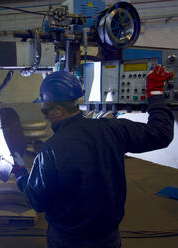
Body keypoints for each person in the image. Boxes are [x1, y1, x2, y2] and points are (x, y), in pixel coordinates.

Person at [12, 65, 174, 248]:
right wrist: (155, 92)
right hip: (109, 239)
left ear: (58, 111)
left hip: (67, 241)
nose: (46, 116)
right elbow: (161, 133)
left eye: (45, 111)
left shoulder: (51, 150)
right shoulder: (112, 129)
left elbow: (37, 201)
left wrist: (21, 175)